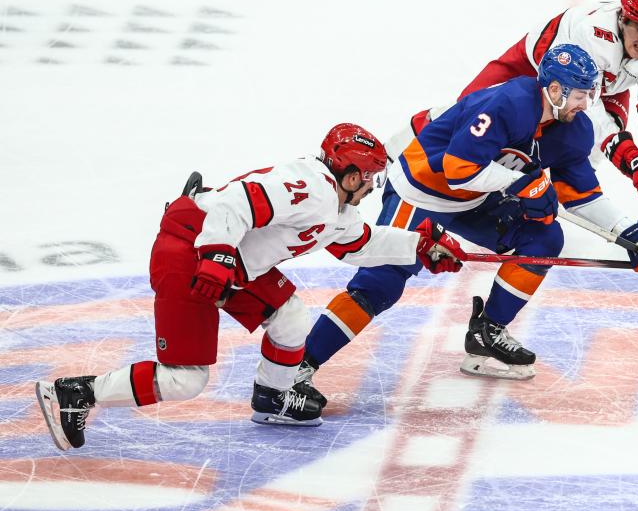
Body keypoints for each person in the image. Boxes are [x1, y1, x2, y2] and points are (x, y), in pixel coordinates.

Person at [35, 123, 466, 450]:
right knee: (186, 380)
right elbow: (235, 201)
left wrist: (420, 246)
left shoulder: (335, 207)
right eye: (369, 176)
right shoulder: (311, 188)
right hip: (189, 254)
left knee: (291, 316)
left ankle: (272, 397)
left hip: (230, 262)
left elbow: (361, 243)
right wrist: (217, 254)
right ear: (350, 174)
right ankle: (77, 392)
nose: (372, 185)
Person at [293, 44, 638, 399]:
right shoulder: (508, 102)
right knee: (380, 285)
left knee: (543, 236)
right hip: (421, 193)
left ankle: (487, 330)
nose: (585, 103)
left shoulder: (575, 130)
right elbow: (458, 169)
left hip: (475, 200)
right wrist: (522, 184)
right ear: (554, 90)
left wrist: (634, 236)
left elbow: (583, 197)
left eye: (590, 94)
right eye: (579, 95)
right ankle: (297, 368)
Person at [384, 0, 638, 208]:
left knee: (586, 143)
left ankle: (578, 200)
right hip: (531, 68)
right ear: (623, 19)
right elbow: (579, 94)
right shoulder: (590, 29)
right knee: (466, 110)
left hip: (603, 86)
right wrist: (620, 147)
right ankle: (391, 153)